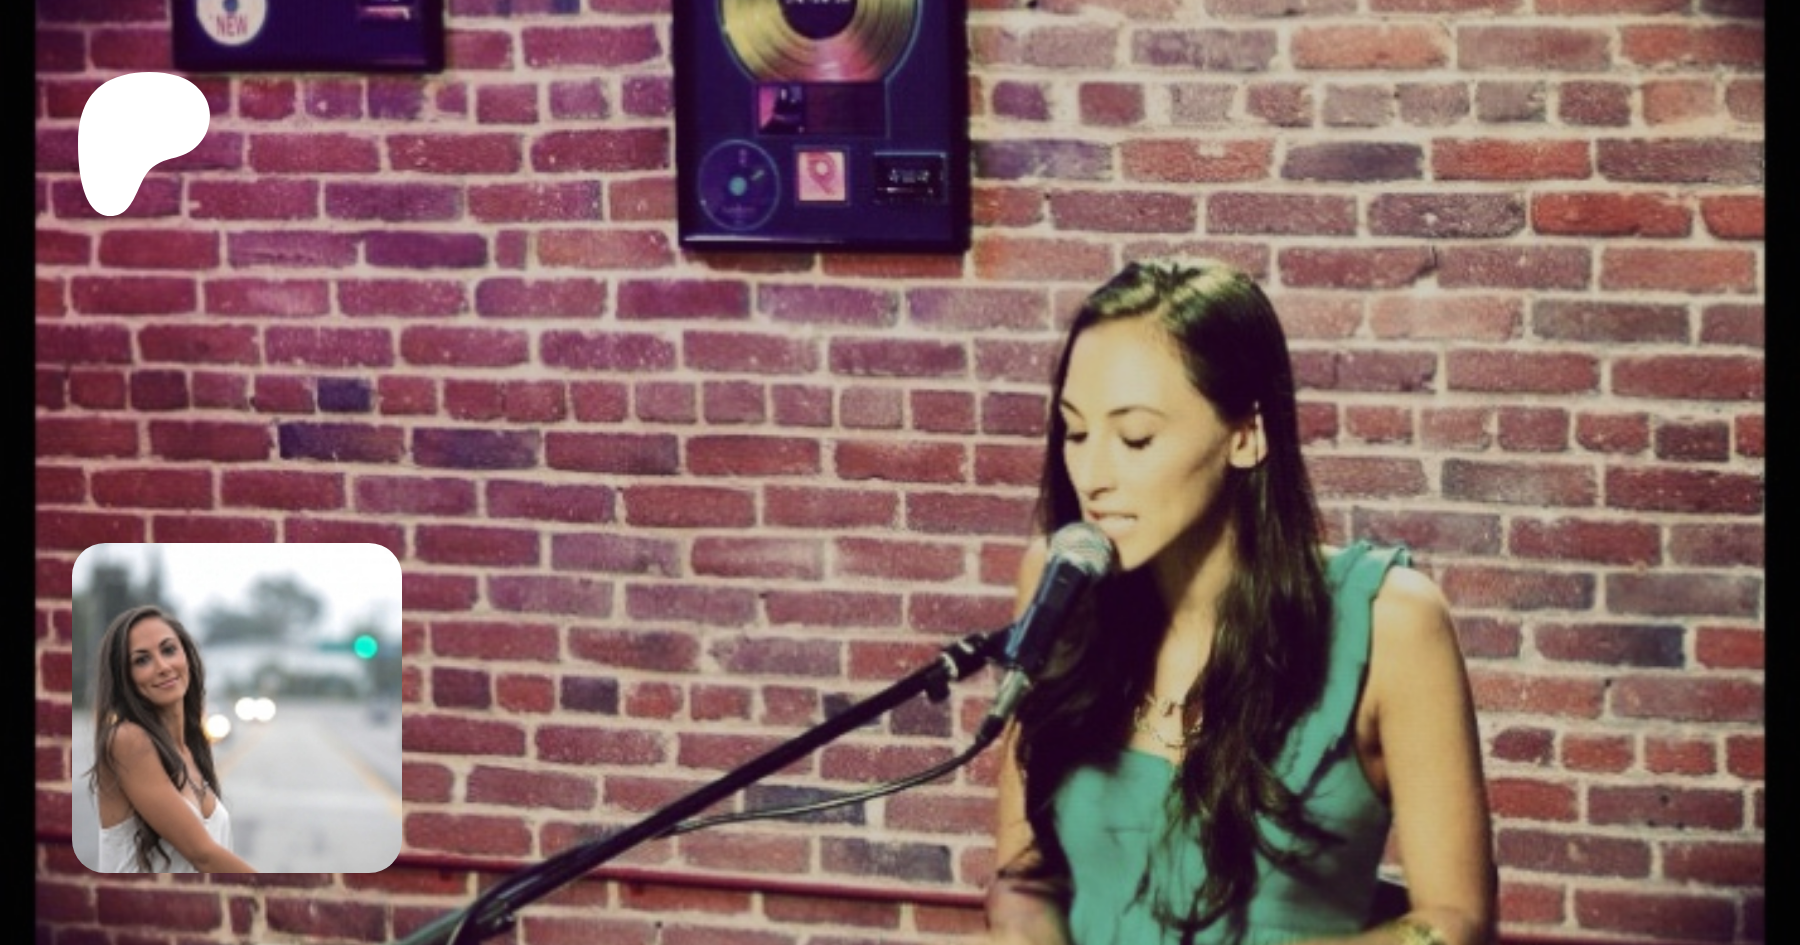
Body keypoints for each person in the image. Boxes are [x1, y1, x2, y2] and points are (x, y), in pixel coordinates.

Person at [987, 260, 1492, 945]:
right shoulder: (1060, 582)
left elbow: (1456, 920)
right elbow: (1023, 874)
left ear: (1247, 433)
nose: (1092, 476)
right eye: (1075, 433)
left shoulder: (1391, 620)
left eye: (1135, 438)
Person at [87, 604, 256, 873]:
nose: (163, 667)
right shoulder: (128, 740)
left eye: (168, 650)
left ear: (186, 655)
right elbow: (203, 855)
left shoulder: (190, 748)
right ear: (124, 677)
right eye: (142, 660)